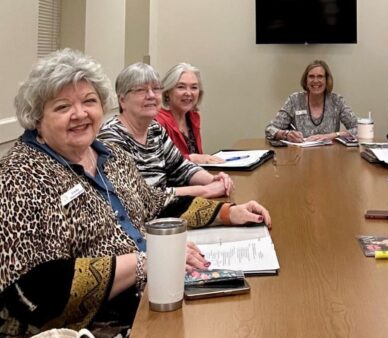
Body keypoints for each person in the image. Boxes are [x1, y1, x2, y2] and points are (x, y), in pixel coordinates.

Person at [0, 49, 271, 337]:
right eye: (63, 107)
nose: (80, 114)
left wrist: (229, 213)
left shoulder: (110, 155)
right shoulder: (19, 175)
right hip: (90, 326)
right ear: (37, 118)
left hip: (153, 289)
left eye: (89, 101)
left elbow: (155, 205)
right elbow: (28, 294)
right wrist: (143, 262)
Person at [98, 63, 233, 199]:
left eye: (156, 89)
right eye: (141, 90)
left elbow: (181, 167)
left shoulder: (154, 129)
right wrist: (205, 190)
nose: (151, 95)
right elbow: (140, 197)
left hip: (166, 212)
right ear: (122, 100)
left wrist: (213, 180)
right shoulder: (111, 136)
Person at [265, 60, 357, 143]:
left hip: (330, 156)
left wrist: (333, 135)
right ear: (306, 80)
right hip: (299, 156)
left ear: (327, 80)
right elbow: (270, 130)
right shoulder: (294, 100)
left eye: (320, 76)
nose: (315, 81)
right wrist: (286, 134)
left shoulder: (336, 101)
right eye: (311, 76)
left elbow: (359, 129)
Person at [157, 63, 224, 164]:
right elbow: (159, 162)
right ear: (167, 91)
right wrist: (192, 159)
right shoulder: (158, 121)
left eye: (194, 87)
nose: (188, 93)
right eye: (181, 87)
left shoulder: (193, 117)